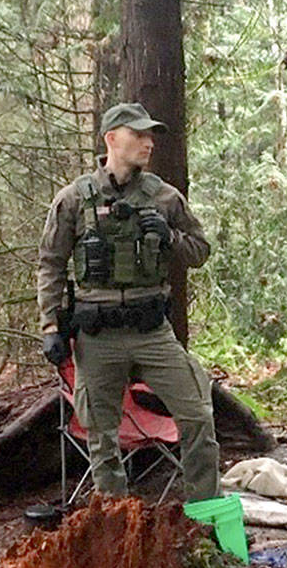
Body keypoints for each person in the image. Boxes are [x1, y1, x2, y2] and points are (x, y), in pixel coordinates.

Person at [37, 102, 221, 502]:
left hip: (151, 332)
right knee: (101, 434)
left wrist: (169, 237)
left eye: (150, 135)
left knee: (197, 414)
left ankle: (204, 511)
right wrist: (50, 326)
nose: (148, 143)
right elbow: (50, 263)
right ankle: (116, 516)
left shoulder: (164, 197)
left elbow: (200, 251)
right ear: (111, 139)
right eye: (138, 134)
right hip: (97, 335)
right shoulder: (74, 199)